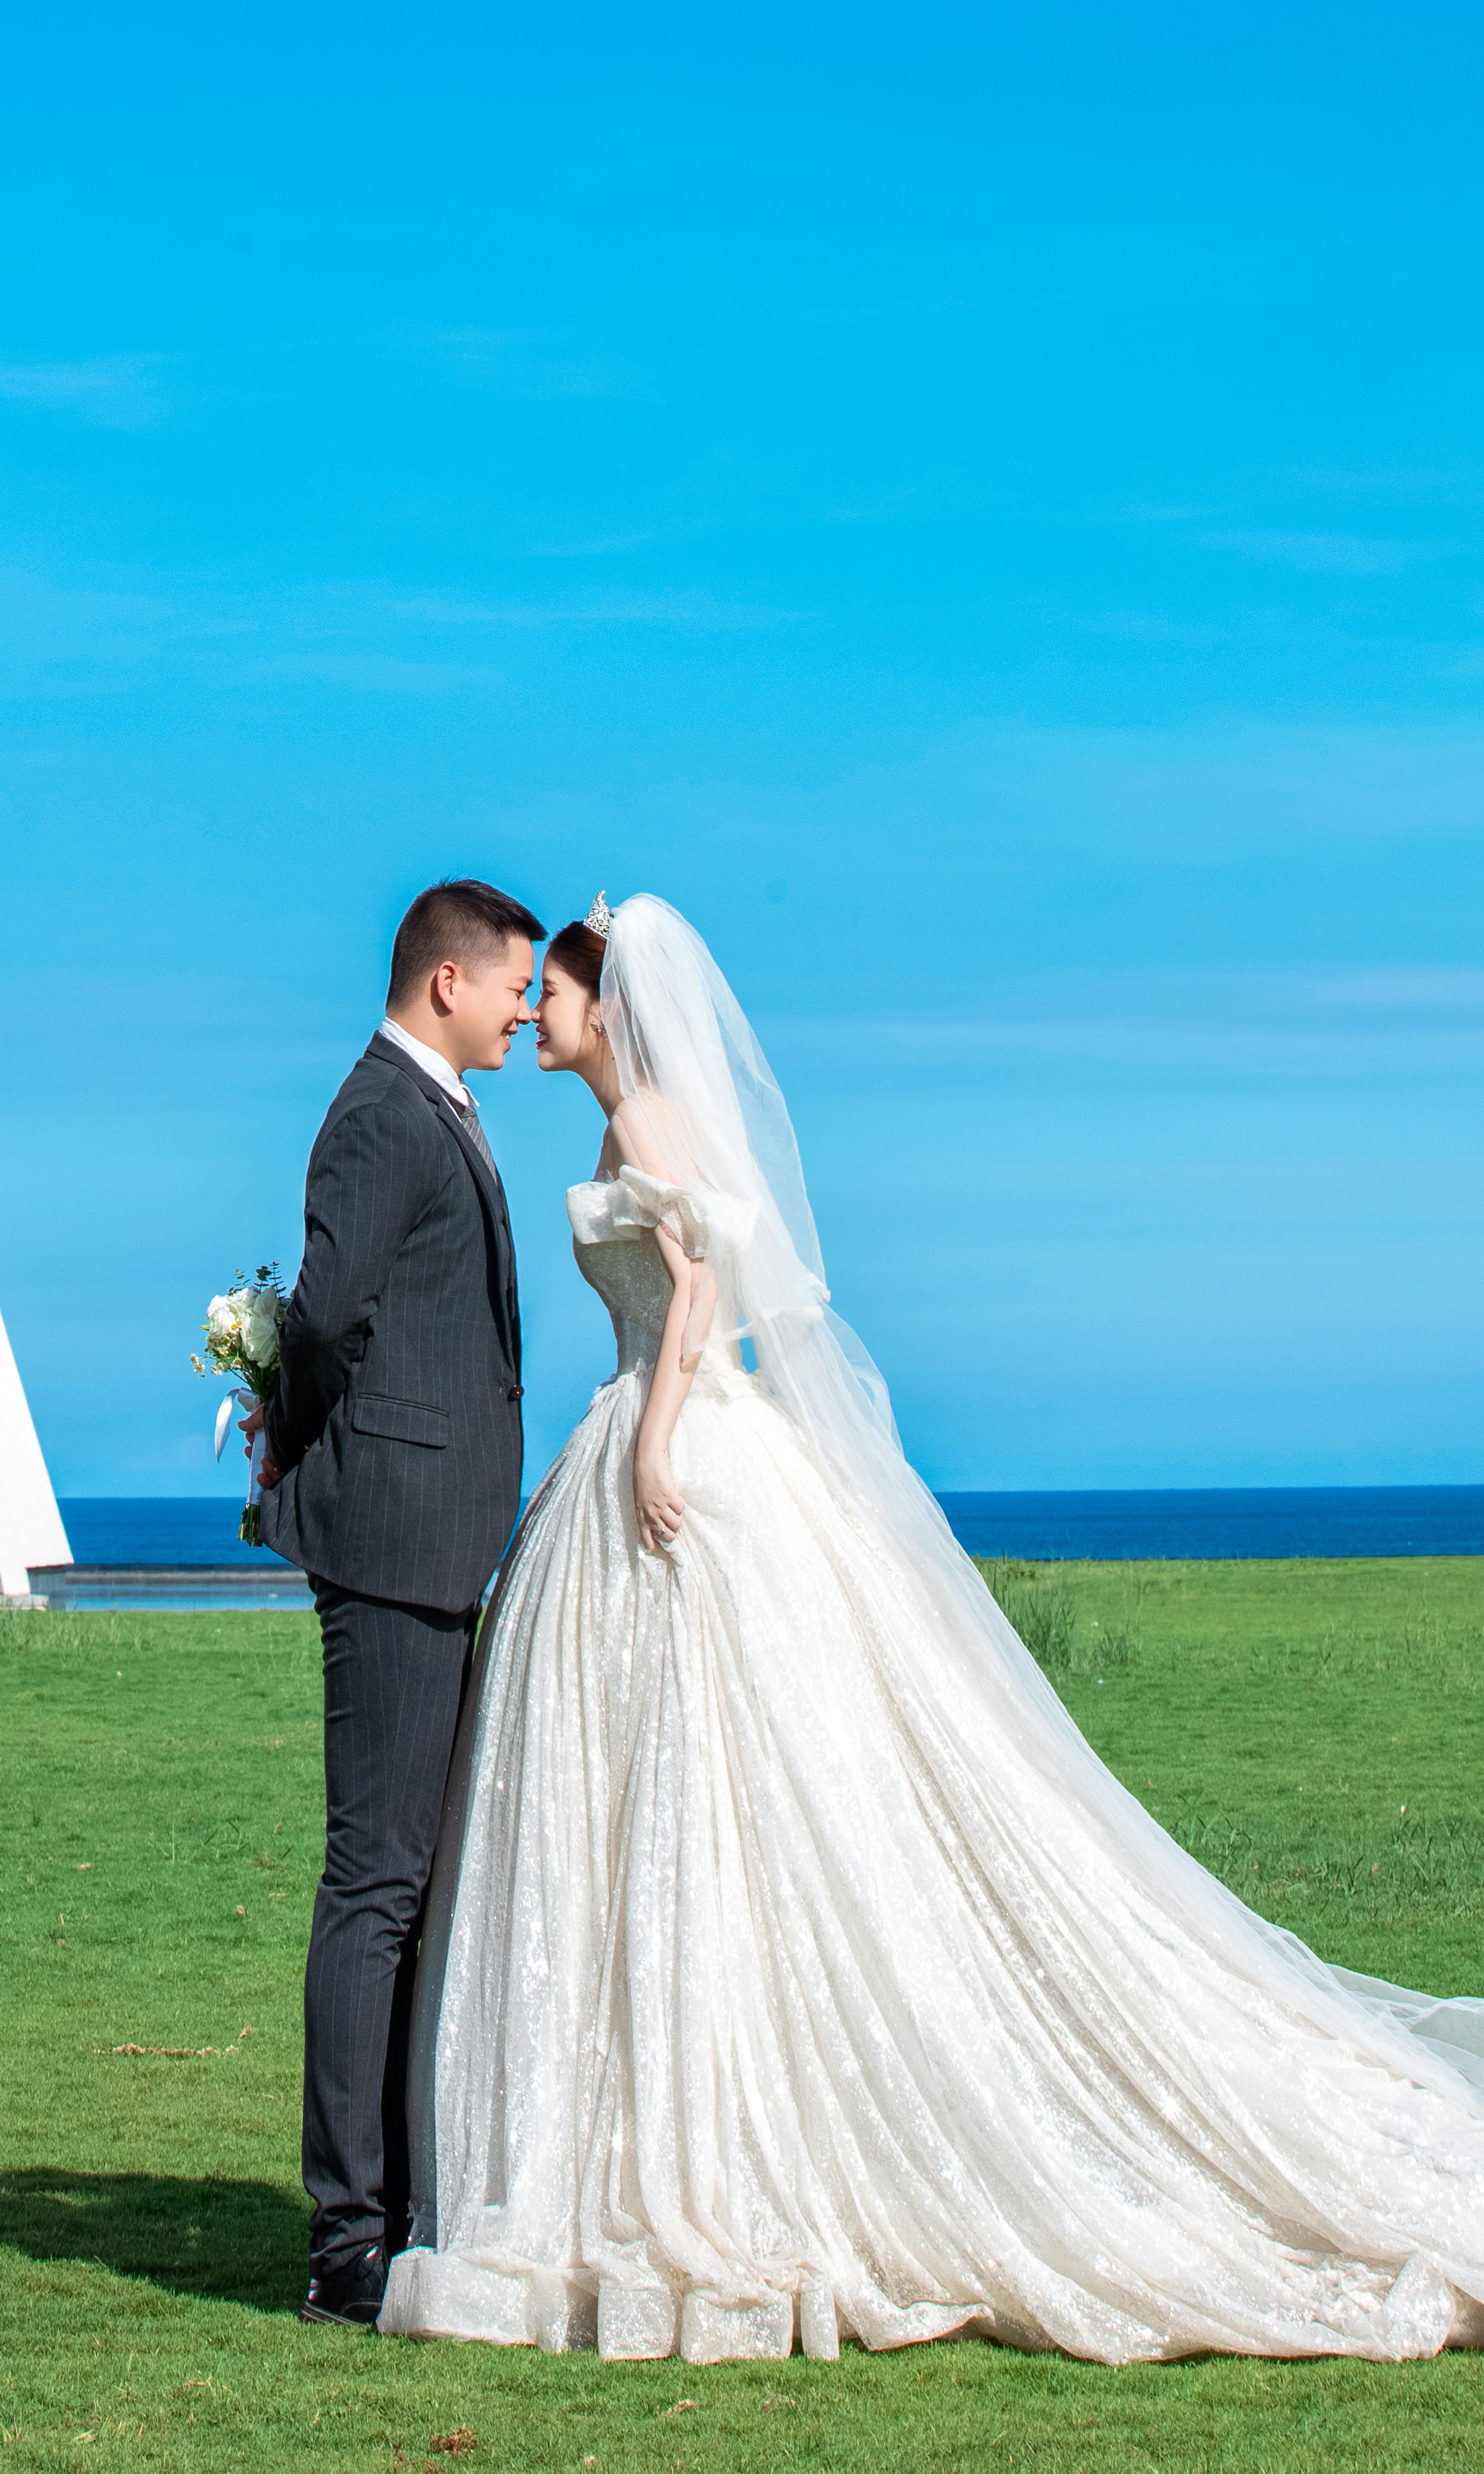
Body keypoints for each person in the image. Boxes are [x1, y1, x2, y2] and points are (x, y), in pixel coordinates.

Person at [380, 892, 1484, 2367]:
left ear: (607, 1004)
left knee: (694, 1780)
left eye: (552, 995)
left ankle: (690, 2148)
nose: (534, 1014)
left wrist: (652, 1437)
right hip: (674, 1432)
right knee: (664, 1789)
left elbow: (700, 1280)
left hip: (675, 1442)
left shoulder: (643, 1129)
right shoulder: (623, 1126)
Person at [257, 878, 546, 2328]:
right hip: (388, 1539)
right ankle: (345, 2241)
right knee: (374, 1880)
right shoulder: (382, 1112)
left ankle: (401, 2192)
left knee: (413, 1880)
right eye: (511, 985)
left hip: (433, 1539)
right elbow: (318, 1320)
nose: (524, 1007)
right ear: (446, 979)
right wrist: (319, 1447)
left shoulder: (435, 1111)